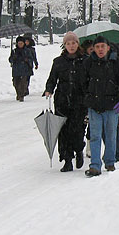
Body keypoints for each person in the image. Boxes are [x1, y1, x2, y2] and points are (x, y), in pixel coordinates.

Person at [82, 36, 119, 177]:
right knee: (94, 136)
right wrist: (86, 98)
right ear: (93, 49)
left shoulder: (117, 63)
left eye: (102, 46)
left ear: (108, 47)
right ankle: (95, 165)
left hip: (112, 106)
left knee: (111, 135)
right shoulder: (88, 63)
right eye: (97, 47)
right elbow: (81, 83)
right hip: (94, 106)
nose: (100, 49)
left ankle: (110, 161)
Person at [44, 32, 87, 172]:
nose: (71, 46)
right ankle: (67, 160)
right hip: (62, 100)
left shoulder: (85, 60)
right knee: (63, 131)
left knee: (78, 128)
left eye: (73, 43)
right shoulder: (58, 61)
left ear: (77, 44)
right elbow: (52, 78)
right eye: (68, 43)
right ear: (65, 45)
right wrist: (48, 89)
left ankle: (79, 150)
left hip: (79, 100)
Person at [9, 36, 33, 102]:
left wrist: (27, 60)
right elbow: (10, 59)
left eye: (21, 43)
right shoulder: (14, 51)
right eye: (19, 43)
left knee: (23, 83)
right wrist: (13, 58)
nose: (20, 44)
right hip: (16, 69)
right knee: (16, 83)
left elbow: (31, 59)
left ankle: (21, 95)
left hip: (24, 69)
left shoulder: (27, 51)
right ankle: (18, 93)